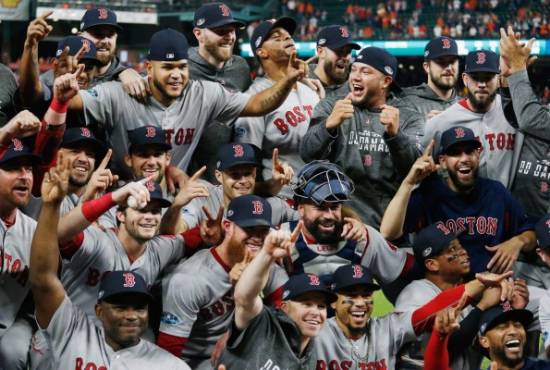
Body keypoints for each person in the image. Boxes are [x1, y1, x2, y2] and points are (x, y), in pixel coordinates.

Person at [64, 27, 307, 179]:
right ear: (149, 68)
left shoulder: (204, 93)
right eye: (167, 67)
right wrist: (63, 84)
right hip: (120, 189)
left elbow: (256, 104)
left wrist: (288, 80)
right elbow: (72, 101)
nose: (176, 75)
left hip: (173, 190)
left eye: (181, 67)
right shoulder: (119, 93)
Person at [29, 158, 190, 368]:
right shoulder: (97, 239)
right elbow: (55, 239)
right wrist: (110, 198)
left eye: (155, 211)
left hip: (125, 346)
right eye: (142, 209)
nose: (150, 217)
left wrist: (177, 206)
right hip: (70, 334)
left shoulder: (159, 248)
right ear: (120, 215)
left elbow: (196, 238)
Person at [381, 126, 535, 275]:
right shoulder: (429, 193)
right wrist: (409, 182)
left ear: (478, 154)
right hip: (443, 290)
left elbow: (531, 234)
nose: (464, 159)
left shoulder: (496, 192)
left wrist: (519, 241)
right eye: (455, 153)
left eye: (469, 152)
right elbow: (389, 233)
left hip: (490, 286)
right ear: (442, 161)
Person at [159, 195, 289, 369]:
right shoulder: (189, 279)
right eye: (249, 229)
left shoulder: (267, 266)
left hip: (243, 350)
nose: (257, 237)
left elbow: (289, 320)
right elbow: (168, 353)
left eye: (263, 230)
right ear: (227, 226)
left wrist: (234, 334)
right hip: (196, 361)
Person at [301, 46, 424, 227]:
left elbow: (415, 172)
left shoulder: (407, 116)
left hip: (388, 226)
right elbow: (307, 154)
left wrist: (395, 136)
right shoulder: (331, 106)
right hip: (339, 221)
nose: (355, 77)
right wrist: (328, 127)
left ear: (385, 81)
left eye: (365, 72)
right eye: (354, 69)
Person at [315, 263, 513, 370]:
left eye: (366, 295)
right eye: (351, 295)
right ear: (333, 301)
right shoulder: (316, 334)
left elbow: (429, 310)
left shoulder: (388, 328)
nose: (360, 302)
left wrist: (482, 283)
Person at [216, 223, 332, 370]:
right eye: (306, 304)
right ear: (283, 306)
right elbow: (245, 298)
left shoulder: (311, 353)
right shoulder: (264, 324)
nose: (315, 312)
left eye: (321, 306)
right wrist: (267, 254)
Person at [284, 160, 415, 288]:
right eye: (321, 208)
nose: (329, 215)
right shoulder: (281, 238)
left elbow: (411, 269)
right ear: (301, 209)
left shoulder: (364, 236)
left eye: (335, 207)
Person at [234, 17, 320, 198]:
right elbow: (245, 168)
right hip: (282, 200)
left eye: (288, 35)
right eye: (277, 37)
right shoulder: (255, 100)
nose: (287, 38)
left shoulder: (310, 90)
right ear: (262, 52)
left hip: (319, 197)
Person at [423, 49, 517, 188]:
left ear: (499, 79)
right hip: (462, 205)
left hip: (508, 205)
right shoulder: (442, 122)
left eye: (488, 77)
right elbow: (420, 167)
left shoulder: (516, 113)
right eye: (475, 77)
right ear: (465, 79)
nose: (481, 84)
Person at [188, 2, 252, 182]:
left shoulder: (240, 67)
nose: (229, 36)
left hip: (227, 177)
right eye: (220, 31)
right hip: (187, 177)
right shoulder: (181, 67)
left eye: (231, 30)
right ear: (198, 33)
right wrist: (124, 72)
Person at [180, 142, 297, 231]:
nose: (243, 181)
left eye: (247, 174)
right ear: (219, 176)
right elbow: (177, 230)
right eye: (235, 175)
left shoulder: (274, 206)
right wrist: (176, 207)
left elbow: (308, 221)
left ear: (255, 173)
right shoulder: (203, 197)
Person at [400, 36, 460, 120]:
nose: (449, 68)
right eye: (441, 62)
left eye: (453, 61)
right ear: (427, 67)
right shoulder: (407, 103)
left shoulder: (467, 106)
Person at [308, 25, 360, 98]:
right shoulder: (301, 82)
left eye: (348, 52)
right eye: (340, 51)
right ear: (320, 51)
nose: (346, 57)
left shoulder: (355, 85)